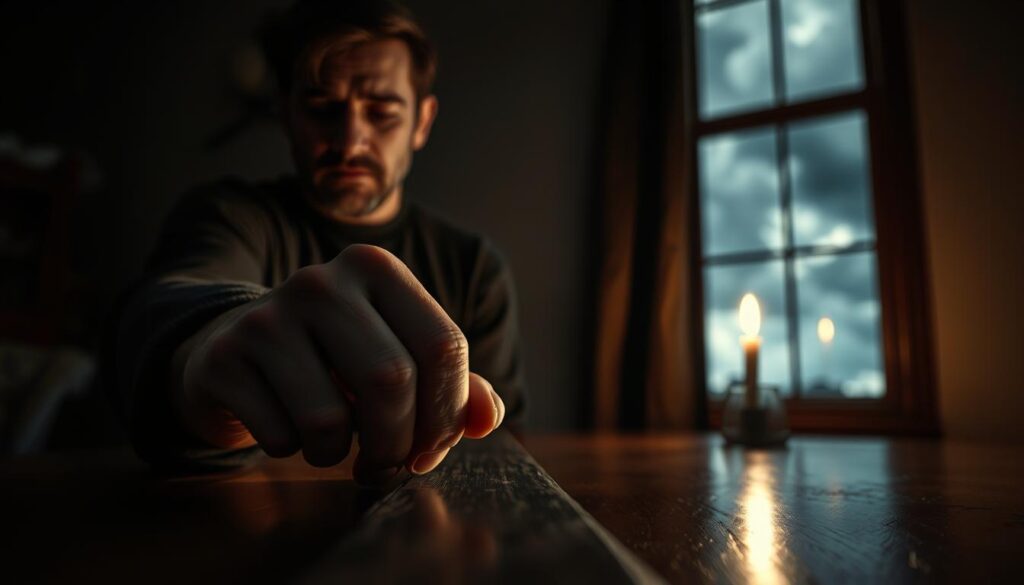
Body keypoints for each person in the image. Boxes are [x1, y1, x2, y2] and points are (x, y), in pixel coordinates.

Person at [106, 0, 525, 485]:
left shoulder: (473, 267)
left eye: (382, 112)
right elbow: (163, 310)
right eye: (323, 108)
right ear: (286, 114)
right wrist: (207, 358)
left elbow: (498, 450)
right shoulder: (230, 217)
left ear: (422, 122)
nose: (350, 141)